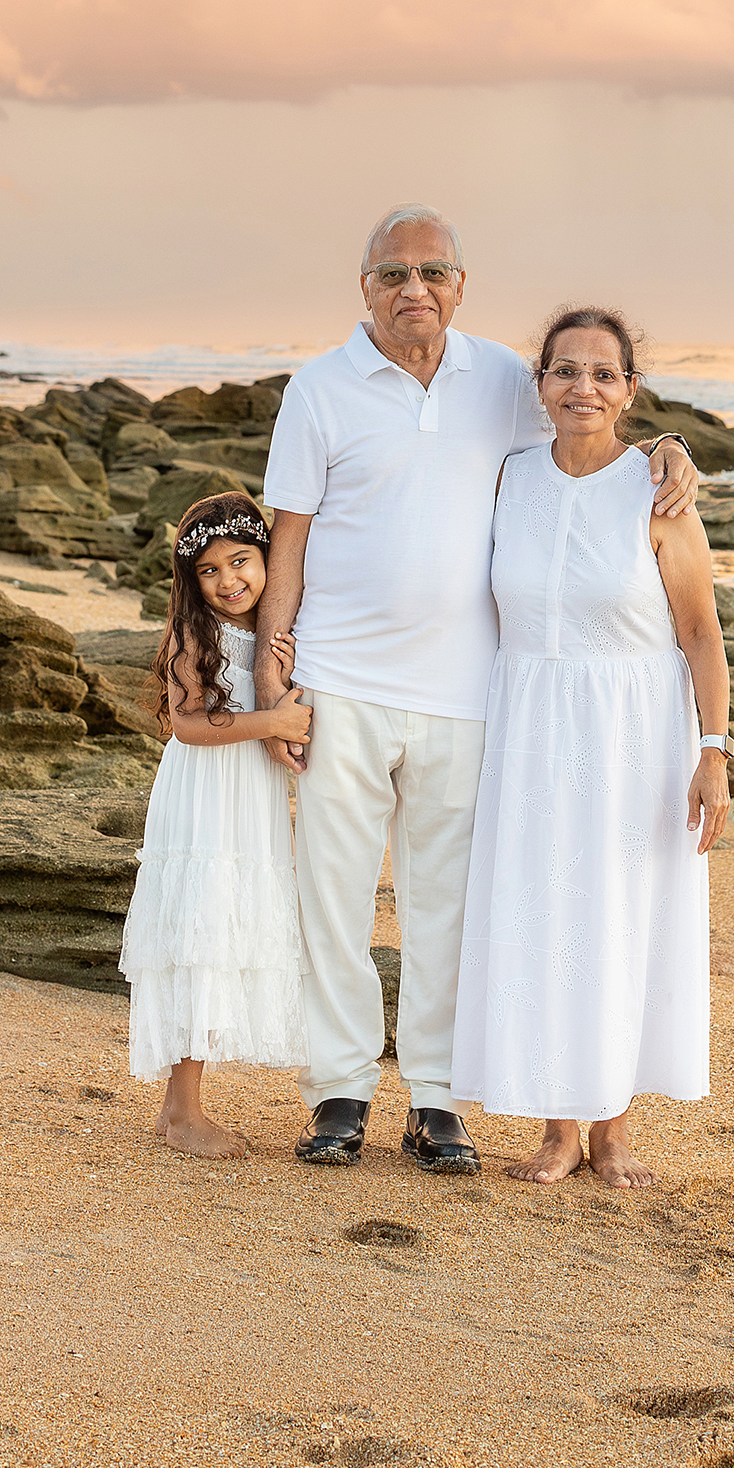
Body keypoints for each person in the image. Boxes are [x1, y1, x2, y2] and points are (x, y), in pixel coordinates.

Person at [255, 206, 698, 1174]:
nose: (413, 289)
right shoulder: (319, 388)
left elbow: (590, 426)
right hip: (338, 679)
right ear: (362, 285)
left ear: (461, 285)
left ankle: (436, 1099)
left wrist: (670, 449)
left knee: (449, 905)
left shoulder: (501, 375)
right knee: (330, 897)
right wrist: (271, 664)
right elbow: (287, 532)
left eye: (433, 271)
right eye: (392, 274)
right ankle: (337, 1090)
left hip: (468, 692)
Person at [450, 306, 730, 1188]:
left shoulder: (657, 492)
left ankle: (610, 1131)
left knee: (618, 924)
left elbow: (700, 631)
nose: (583, 389)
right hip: (529, 725)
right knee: (542, 919)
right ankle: (556, 1130)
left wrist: (714, 752)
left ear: (629, 391)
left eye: (603, 374)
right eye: (565, 371)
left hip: (635, 735)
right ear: (538, 385)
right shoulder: (507, 476)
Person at [119, 491, 315, 1158]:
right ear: (189, 579)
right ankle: (181, 1111)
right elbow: (188, 723)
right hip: (204, 791)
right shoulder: (192, 631)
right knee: (199, 931)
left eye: (240, 561)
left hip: (249, 794)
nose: (228, 581)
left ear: (268, 559)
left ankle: (183, 1106)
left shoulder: (279, 629)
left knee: (228, 931)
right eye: (209, 570)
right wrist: (274, 723)